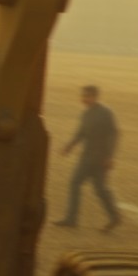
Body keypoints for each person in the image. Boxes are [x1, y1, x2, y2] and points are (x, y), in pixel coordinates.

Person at [52, 84, 122, 232]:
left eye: (88, 96)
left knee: (99, 189)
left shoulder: (105, 113)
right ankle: (72, 219)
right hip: (87, 157)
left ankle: (114, 217)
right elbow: (81, 133)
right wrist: (69, 146)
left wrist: (110, 156)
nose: (84, 99)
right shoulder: (86, 114)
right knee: (77, 184)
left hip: (100, 159)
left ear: (95, 97)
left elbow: (113, 134)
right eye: (83, 96)